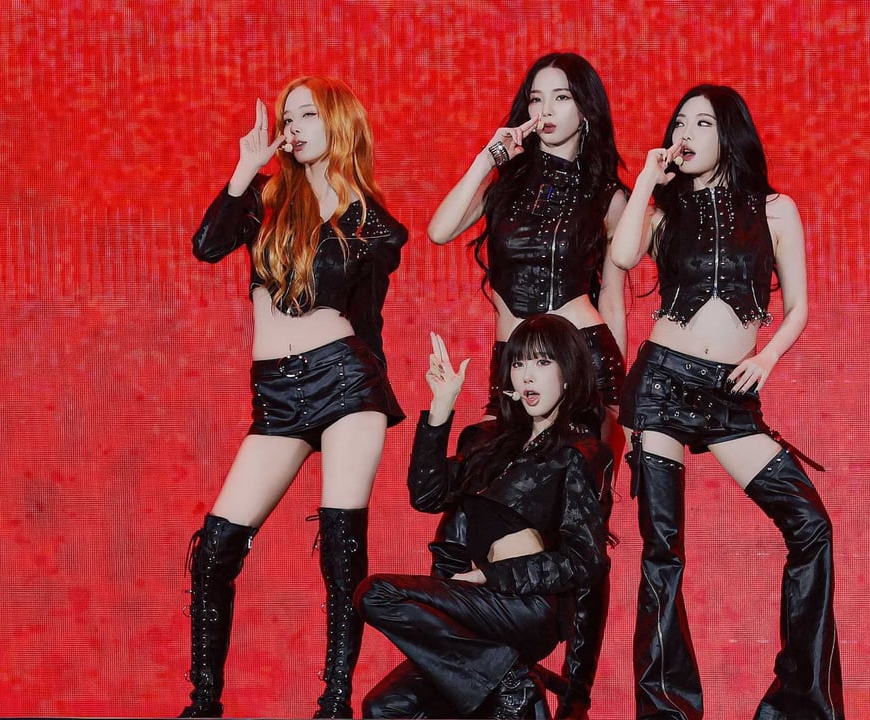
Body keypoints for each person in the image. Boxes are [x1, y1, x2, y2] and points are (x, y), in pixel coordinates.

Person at [611, 85, 844, 720]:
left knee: (811, 526)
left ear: (730, 133)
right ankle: (666, 711)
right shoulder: (664, 211)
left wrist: (767, 359)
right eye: (679, 123)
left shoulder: (775, 210)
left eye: (702, 123)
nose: (686, 133)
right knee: (663, 551)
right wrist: (648, 180)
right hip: (660, 386)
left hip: (729, 398)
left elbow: (798, 307)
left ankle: (798, 705)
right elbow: (623, 256)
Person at [181, 76, 407, 719]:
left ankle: (335, 705)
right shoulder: (266, 201)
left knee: (340, 548)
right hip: (276, 397)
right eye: (288, 117)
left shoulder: (372, 224)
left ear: (338, 122)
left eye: (307, 115)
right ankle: (204, 705)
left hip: (344, 381)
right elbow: (207, 246)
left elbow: (368, 319)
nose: (293, 127)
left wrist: (377, 395)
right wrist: (246, 168)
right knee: (215, 548)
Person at [427, 53, 627, 716]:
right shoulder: (505, 183)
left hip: (585, 366)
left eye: (561, 98)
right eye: (535, 99)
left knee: (580, 534)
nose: (545, 111)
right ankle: (503, 680)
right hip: (512, 366)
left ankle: (576, 698)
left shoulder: (605, 194)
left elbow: (613, 293)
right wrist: (490, 155)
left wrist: (622, 402)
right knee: (500, 512)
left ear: (585, 110)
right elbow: (439, 228)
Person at [355, 315, 612, 719]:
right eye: (519, 363)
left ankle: (510, 679)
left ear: (568, 373)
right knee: (384, 707)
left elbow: (585, 562)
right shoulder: (487, 441)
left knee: (377, 592)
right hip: (474, 608)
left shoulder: (578, 453)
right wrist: (441, 406)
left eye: (543, 362)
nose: (528, 375)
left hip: (523, 606)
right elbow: (427, 495)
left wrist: (489, 576)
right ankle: (510, 677)